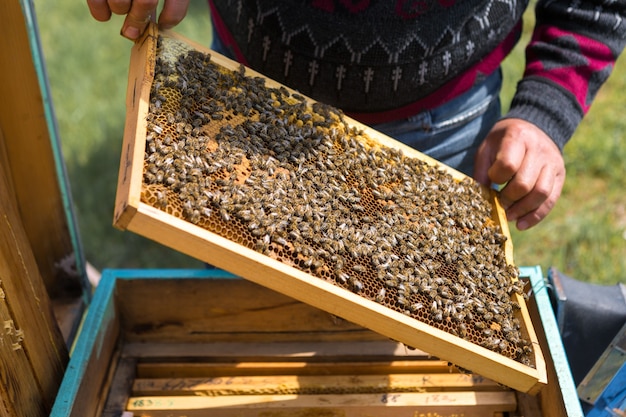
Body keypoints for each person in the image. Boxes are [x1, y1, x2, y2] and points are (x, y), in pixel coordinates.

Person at [87, 0, 626, 231]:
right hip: (242, 98)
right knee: (237, 309)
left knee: (411, 343)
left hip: (441, 122)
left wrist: (546, 106)